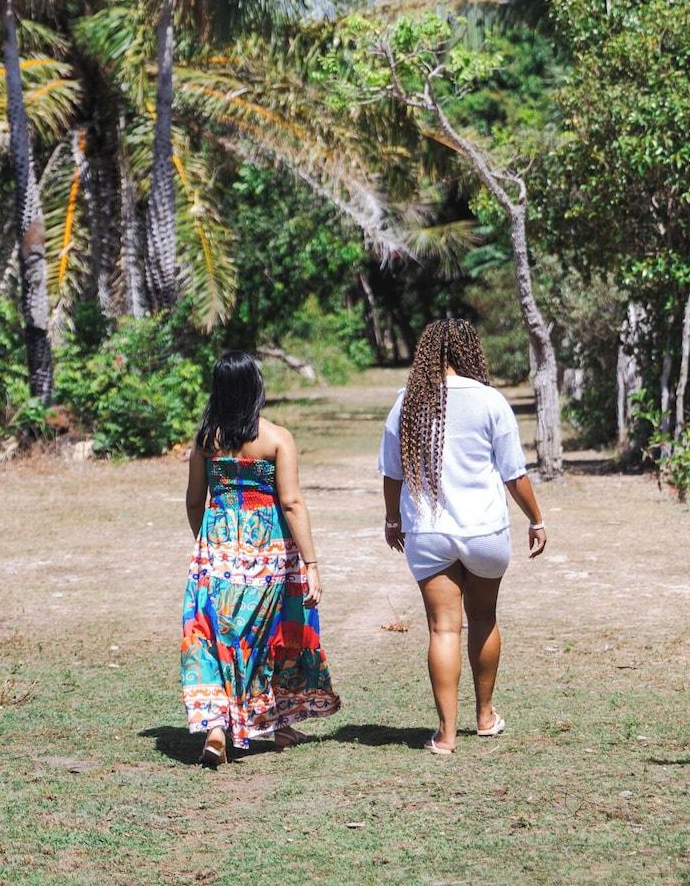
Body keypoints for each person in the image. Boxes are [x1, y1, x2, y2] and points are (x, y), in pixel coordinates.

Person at [380, 317, 548, 754]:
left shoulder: (407, 402)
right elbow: (514, 474)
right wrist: (536, 519)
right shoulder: (492, 402)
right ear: (471, 352)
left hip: (429, 532)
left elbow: (392, 474)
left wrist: (391, 520)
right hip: (484, 532)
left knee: (443, 629)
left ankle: (446, 736)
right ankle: (486, 716)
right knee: (485, 619)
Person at [181, 350, 341, 765]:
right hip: (269, 555)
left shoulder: (206, 440)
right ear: (256, 388)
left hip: (215, 553)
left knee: (214, 638)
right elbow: (290, 503)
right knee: (269, 639)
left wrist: (209, 545)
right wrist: (311, 563)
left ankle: (218, 729)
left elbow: (195, 500)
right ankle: (275, 723)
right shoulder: (276, 438)